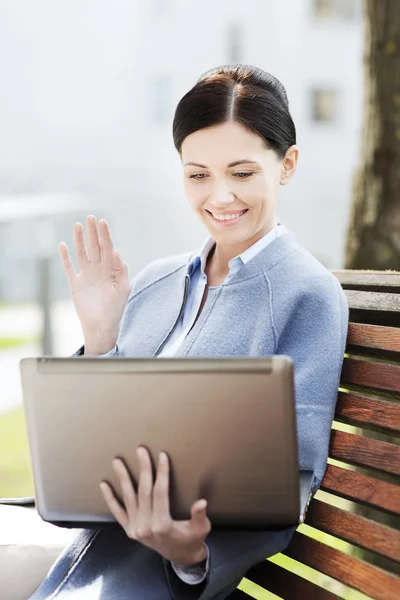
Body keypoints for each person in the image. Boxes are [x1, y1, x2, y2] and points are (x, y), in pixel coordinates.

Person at [31, 64, 349, 600]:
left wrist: (192, 553)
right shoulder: (158, 280)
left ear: (287, 164)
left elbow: (288, 482)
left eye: (242, 173)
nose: (219, 197)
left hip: (147, 574)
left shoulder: (307, 295)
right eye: (197, 174)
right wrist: (103, 336)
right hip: (85, 542)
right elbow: (99, 439)